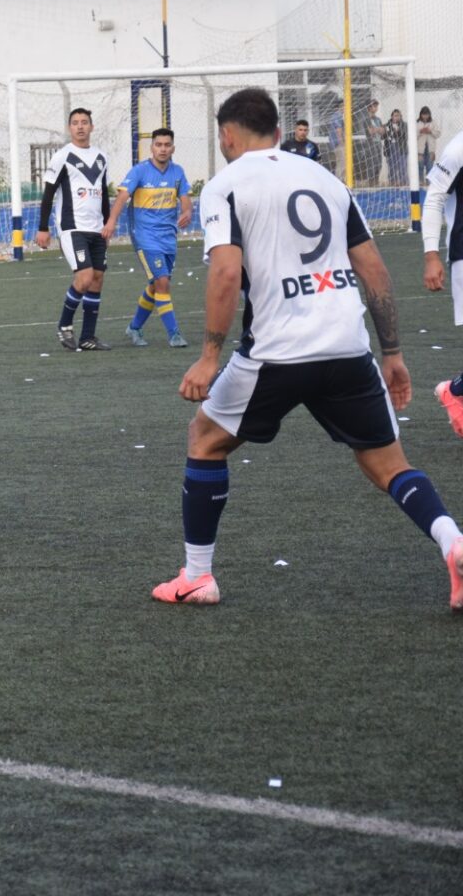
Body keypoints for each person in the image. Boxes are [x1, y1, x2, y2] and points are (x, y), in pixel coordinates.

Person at [154, 87, 462, 613]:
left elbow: (226, 272)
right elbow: (375, 270)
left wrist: (209, 356)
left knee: (205, 439)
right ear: (278, 132)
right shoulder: (327, 179)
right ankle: (452, 540)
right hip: (348, 346)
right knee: (387, 464)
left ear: (227, 136)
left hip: (276, 351)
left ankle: (197, 577)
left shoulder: (225, 185)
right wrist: (392, 353)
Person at [103, 127, 194, 348]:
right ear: (152, 147)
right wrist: (112, 222)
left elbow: (185, 198)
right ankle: (174, 334)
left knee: (156, 285)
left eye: (167, 145)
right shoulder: (139, 171)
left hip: (168, 237)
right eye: (158, 145)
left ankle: (134, 328)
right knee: (162, 282)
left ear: (173, 147)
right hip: (144, 236)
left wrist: (187, 211)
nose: (163, 149)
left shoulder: (177, 172)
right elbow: (123, 197)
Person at [35, 108, 112, 350]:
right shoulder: (62, 157)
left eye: (84, 122)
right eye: (75, 123)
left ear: (92, 126)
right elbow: (48, 195)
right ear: (70, 128)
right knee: (84, 276)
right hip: (72, 227)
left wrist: (108, 224)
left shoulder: (101, 157)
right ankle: (64, 325)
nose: (80, 126)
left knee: (97, 279)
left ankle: (88, 337)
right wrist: (43, 227)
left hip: (97, 228)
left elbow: (104, 195)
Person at [421, 124, 463, 436]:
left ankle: (456, 390)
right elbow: (434, 197)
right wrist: (431, 255)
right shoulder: (458, 147)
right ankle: (454, 391)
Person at [360, 99, 384, 186]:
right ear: (369, 108)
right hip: (371, 144)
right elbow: (370, 132)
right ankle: (371, 183)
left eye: (377, 106)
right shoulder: (366, 120)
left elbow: (383, 131)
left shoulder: (378, 119)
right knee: (372, 164)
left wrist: (376, 129)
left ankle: (376, 181)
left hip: (378, 143)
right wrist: (378, 130)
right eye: (374, 106)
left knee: (379, 164)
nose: (376, 108)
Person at [384, 108, 408, 186]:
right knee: (392, 167)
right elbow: (383, 136)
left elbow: (405, 136)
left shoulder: (404, 125)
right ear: (392, 117)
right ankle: (392, 182)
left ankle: (403, 182)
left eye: (398, 116)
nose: (397, 117)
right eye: (395, 116)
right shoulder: (387, 125)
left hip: (401, 149)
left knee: (402, 167)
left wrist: (398, 130)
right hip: (390, 149)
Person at [417, 106, 439, 179]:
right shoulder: (417, 122)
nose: (425, 116)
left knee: (430, 166)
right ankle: (420, 182)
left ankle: (428, 182)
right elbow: (412, 135)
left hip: (430, 149)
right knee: (420, 166)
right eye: (423, 114)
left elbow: (438, 134)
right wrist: (420, 131)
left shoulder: (433, 122)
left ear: (429, 114)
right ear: (420, 114)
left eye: (427, 114)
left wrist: (430, 131)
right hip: (420, 149)